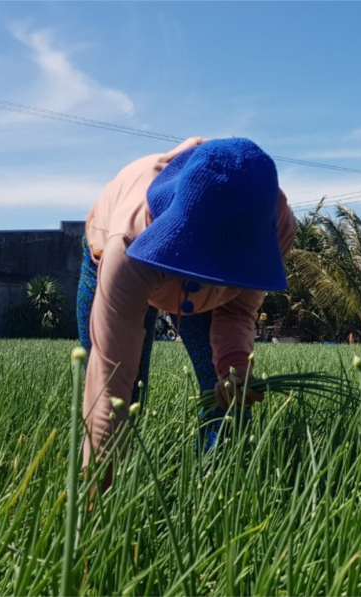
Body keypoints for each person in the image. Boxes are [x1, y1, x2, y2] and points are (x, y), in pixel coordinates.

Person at [77, 137, 297, 485]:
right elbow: (109, 379)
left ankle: (212, 492)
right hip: (115, 252)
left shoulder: (272, 228)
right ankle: (111, 488)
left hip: (206, 276)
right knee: (126, 394)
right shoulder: (128, 243)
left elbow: (238, 310)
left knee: (225, 399)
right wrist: (95, 498)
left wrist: (235, 366)